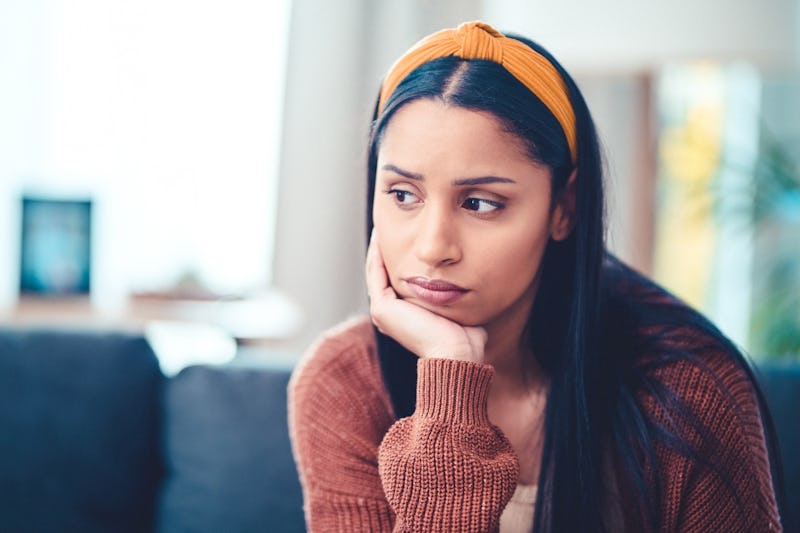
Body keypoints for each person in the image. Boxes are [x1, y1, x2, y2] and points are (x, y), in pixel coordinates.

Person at [288, 21, 784, 532]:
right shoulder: (344, 383)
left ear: (563, 208)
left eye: (481, 203)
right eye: (402, 195)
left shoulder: (689, 390)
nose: (433, 247)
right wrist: (449, 383)